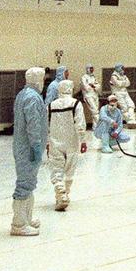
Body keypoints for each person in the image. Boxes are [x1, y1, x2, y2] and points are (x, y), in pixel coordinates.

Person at [10, 67, 48, 236]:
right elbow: (33, 124)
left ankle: (27, 218)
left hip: (24, 146)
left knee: (30, 182)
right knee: (25, 184)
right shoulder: (32, 97)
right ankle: (19, 223)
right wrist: (36, 146)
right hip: (29, 148)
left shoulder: (23, 94)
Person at [46, 79, 87, 211]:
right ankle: (65, 194)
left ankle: (60, 191)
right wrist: (83, 140)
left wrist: (47, 142)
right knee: (70, 169)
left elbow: (46, 126)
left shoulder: (51, 105)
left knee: (56, 168)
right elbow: (80, 124)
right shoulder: (76, 104)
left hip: (55, 141)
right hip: (71, 141)